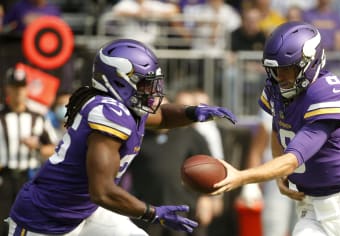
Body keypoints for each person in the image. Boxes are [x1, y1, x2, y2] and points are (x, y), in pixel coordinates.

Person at [7, 38, 237, 236]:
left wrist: (193, 112)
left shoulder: (125, 108)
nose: (153, 91)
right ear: (118, 82)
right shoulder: (109, 114)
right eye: (145, 85)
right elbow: (102, 191)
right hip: (46, 218)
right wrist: (152, 213)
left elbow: (163, 117)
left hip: (82, 210)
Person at [211, 21, 340, 236]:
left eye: (287, 70)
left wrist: (241, 177)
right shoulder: (275, 90)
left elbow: (293, 158)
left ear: (310, 62)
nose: (280, 78)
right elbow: (278, 126)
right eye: (275, 71)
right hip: (311, 208)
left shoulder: (328, 93)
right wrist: (278, 173)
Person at [127, 96, 221, 236]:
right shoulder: (137, 136)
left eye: (162, 109)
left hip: (186, 212)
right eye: (153, 109)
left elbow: (210, 168)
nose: (158, 113)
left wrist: (207, 198)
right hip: (150, 213)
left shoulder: (190, 135)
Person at [0, 67, 57, 236]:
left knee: (28, 224)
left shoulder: (38, 117)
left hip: (29, 177)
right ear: (7, 88)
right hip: (4, 177)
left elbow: (56, 148)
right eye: (14, 87)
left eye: (22, 87)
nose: (18, 91)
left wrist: (38, 147)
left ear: (27, 89)